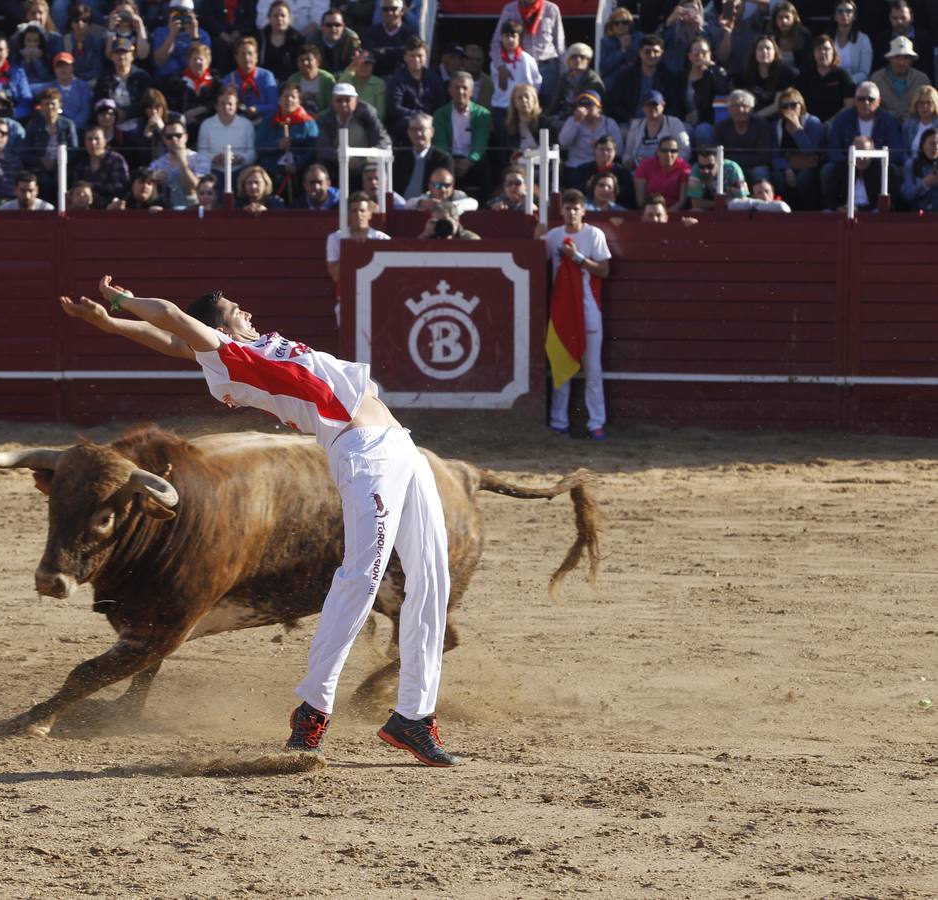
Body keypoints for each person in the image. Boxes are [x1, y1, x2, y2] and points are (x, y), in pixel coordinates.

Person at [57, 272, 463, 767]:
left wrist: (113, 325)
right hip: (363, 453)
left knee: (431, 577)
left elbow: (167, 339)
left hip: (402, 446)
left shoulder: (251, 348)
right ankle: (313, 709)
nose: (244, 309)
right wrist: (122, 300)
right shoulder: (230, 355)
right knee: (362, 576)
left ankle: (413, 717)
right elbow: (171, 319)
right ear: (218, 327)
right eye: (232, 307)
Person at [537, 188, 610, 440]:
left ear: (583, 210)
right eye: (567, 208)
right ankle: (559, 422)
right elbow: (535, 257)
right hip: (563, 312)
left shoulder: (594, 235)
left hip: (589, 310)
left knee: (593, 370)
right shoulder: (554, 236)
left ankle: (596, 422)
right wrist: (536, 237)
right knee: (561, 365)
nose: (571, 212)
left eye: (575, 208)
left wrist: (578, 258)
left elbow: (603, 270)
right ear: (562, 211)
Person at [490, 0, 564, 104]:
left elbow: (560, 44)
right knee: (523, 105)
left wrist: (564, 73)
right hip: (523, 67)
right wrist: (501, 67)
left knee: (548, 105)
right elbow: (496, 42)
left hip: (548, 67)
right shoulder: (510, 9)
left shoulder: (551, 9)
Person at [432, 71, 491, 197]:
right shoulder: (440, 114)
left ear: (471, 91)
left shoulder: (482, 114)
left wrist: (469, 161)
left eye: (464, 88)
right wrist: (450, 161)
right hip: (449, 159)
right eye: (456, 87)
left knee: (486, 167)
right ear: (449, 90)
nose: (460, 92)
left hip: (473, 160)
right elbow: (440, 143)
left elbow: (480, 142)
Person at [316, 81, 390, 180]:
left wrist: (365, 159)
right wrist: (344, 158)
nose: (343, 104)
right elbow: (323, 148)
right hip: (337, 166)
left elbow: (383, 140)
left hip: (366, 164)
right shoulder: (325, 119)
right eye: (339, 100)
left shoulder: (367, 114)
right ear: (333, 102)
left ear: (355, 101)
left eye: (347, 100)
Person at [256, 80, 317, 201]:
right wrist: (277, 145)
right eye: (285, 96)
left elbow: (312, 150)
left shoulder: (308, 122)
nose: (289, 100)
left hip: (298, 171)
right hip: (272, 170)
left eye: (293, 97)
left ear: (299, 100)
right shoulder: (269, 121)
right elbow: (259, 146)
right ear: (279, 99)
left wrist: (297, 165)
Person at [606, 34, 680, 125]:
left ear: (661, 54)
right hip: (630, 123)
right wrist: (629, 119)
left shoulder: (669, 77)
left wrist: (660, 121)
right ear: (640, 53)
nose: (652, 55)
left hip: (660, 123)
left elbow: (674, 106)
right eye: (647, 51)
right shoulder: (626, 75)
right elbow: (614, 104)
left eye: (656, 51)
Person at [480, 20, 540, 131]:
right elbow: (495, 84)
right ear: (502, 38)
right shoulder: (496, 62)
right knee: (502, 139)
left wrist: (529, 100)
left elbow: (536, 82)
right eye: (507, 36)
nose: (510, 40)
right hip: (500, 106)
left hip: (521, 108)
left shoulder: (527, 59)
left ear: (519, 38)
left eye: (513, 36)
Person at [770, 87, 823, 211]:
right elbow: (773, 155)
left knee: (805, 178)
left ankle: (809, 212)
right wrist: (787, 168)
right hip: (785, 166)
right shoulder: (776, 126)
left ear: (801, 106)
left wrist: (797, 130)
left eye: (793, 105)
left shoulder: (813, 123)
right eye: (785, 106)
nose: (789, 109)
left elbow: (812, 151)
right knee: (777, 177)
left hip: (808, 165)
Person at [387, 36, 445, 144]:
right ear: (405, 57)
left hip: (432, 122)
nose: (416, 60)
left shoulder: (434, 79)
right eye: (412, 56)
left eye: (420, 56)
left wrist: (429, 119)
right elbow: (394, 108)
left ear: (426, 57)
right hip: (406, 124)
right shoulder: (397, 79)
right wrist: (419, 117)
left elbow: (441, 105)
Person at [559, 89, 621, 188]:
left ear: (599, 108)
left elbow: (619, 149)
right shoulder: (572, 121)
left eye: (589, 104)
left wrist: (600, 149)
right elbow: (563, 142)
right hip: (577, 166)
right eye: (581, 105)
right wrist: (576, 122)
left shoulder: (609, 123)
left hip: (601, 166)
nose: (585, 108)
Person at [679, 36, 729, 152]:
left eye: (704, 52)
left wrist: (713, 68)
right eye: (696, 53)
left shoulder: (716, 74)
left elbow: (723, 91)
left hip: (708, 121)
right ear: (689, 56)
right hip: (686, 121)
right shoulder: (681, 77)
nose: (700, 56)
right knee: (681, 130)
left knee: (702, 131)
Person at [713, 89, 773, 183]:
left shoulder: (761, 125)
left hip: (755, 165)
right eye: (735, 106)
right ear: (729, 109)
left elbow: (764, 156)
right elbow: (719, 154)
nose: (740, 110)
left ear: (751, 109)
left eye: (744, 106)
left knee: (760, 172)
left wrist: (737, 160)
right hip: (730, 166)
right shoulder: (721, 127)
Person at [148, 117, 209, 207]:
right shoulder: (156, 164)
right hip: (166, 212)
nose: (174, 139)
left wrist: (183, 163)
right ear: (164, 140)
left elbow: (195, 189)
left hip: (194, 211)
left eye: (178, 135)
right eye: (169, 137)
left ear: (186, 137)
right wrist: (153, 178)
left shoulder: (200, 160)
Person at [196, 85, 256, 176]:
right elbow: (201, 152)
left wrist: (241, 158)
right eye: (222, 104)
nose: (226, 107)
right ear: (217, 106)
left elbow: (252, 152)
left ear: (236, 106)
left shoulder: (247, 125)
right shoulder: (206, 125)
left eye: (230, 104)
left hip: (241, 172)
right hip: (214, 172)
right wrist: (214, 159)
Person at [621, 89, 688, 169]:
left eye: (654, 104)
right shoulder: (636, 125)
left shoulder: (674, 123)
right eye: (648, 105)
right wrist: (629, 161)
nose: (651, 108)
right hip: (639, 170)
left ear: (663, 105)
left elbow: (685, 151)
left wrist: (666, 162)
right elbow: (627, 152)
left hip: (667, 171)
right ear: (643, 107)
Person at [393, 111, 451, 200]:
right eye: (414, 129)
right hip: (399, 209)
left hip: (429, 209)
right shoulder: (398, 157)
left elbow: (446, 190)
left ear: (432, 131)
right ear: (408, 132)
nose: (418, 134)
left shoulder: (442, 159)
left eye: (422, 129)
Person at [871, 36, 931, 122]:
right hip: (884, 124)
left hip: (915, 125)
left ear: (911, 60)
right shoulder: (876, 79)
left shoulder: (922, 80)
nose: (901, 62)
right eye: (897, 57)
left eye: (906, 58)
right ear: (890, 59)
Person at [546, 41, 603, 126]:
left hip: (585, 119)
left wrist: (562, 118)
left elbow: (587, 106)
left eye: (582, 57)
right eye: (574, 57)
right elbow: (556, 101)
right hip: (565, 115)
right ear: (568, 61)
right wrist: (546, 115)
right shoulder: (565, 77)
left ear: (588, 61)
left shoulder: (593, 80)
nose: (578, 60)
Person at [70, 124, 129, 206]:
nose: (93, 143)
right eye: (89, 139)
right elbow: (76, 187)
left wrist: (92, 187)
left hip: (111, 205)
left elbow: (120, 186)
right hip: (86, 207)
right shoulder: (81, 164)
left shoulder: (116, 160)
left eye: (97, 139)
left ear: (105, 141)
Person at [360, 0, 416, 78]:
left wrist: (381, 51)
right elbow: (371, 55)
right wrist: (398, 52)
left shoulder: (411, 34)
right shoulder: (370, 33)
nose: (389, 13)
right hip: (376, 78)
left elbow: (409, 57)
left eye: (394, 9)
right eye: (385, 9)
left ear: (402, 11)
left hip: (402, 80)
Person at [685, 146, 749, 210]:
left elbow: (742, 199)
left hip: (731, 208)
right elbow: (695, 203)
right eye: (701, 166)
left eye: (710, 166)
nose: (705, 170)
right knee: (695, 210)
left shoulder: (732, 168)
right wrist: (722, 203)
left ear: (719, 162)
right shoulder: (696, 169)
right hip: (710, 208)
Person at [633, 135, 689, 207]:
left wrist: (666, 215)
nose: (669, 154)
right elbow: (640, 200)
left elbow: (682, 201)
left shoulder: (685, 168)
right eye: (664, 150)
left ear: (678, 153)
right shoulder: (645, 166)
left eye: (673, 151)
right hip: (650, 212)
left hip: (675, 212)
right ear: (658, 152)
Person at [258, 0, 304, 82]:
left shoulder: (298, 40)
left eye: (283, 15)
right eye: (275, 16)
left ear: (289, 18)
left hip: (290, 84)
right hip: (264, 83)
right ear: (269, 18)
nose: (279, 19)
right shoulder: (261, 38)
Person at [336, 47, 386, 120]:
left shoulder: (379, 84)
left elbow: (381, 114)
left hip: (371, 122)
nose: (364, 67)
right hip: (349, 120)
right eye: (361, 64)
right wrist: (353, 64)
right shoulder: (350, 78)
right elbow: (339, 87)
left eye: (368, 64)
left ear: (372, 66)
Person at [285, 43, 334, 117]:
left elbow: (332, 106)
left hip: (322, 120)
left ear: (317, 61)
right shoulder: (293, 79)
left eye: (308, 59)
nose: (305, 63)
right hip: (298, 118)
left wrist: (317, 117)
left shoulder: (327, 79)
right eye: (302, 60)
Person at [406, 164, 478, 215]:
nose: (443, 189)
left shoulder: (458, 195)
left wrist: (448, 206)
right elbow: (408, 204)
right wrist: (422, 203)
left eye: (447, 185)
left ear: (452, 186)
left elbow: (473, 203)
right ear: (430, 187)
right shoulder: (427, 196)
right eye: (438, 185)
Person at [831, 0, 872, 86]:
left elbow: (864, 72)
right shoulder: (828, 38)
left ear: (855, 16)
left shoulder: (863, 39)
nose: (844, 14)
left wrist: (845, 81)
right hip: (831, 85)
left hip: (855, 87)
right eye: (840, 11)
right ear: (835, 16)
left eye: (848, 11)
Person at [901, 125, 938, 210]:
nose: (936, 148)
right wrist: (925, 182)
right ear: (923, 145)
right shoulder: (912, 164)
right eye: (932, 144)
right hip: (918, 215)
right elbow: (907, 195)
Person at [315, 9, 358, 75]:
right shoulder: (313, 40)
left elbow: (354, 66)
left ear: (343, 26)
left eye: (337, 25)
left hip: (344, 76)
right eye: (328, 25)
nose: (333, 28)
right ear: (321, 26)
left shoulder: (351, 40)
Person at [904, 85, 938, 161]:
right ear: (915, 105)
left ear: (935, 104)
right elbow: (904, 151)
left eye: (928, 103)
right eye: (921, 103)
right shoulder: (909, 125)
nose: (924, 106)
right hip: (913, 166)